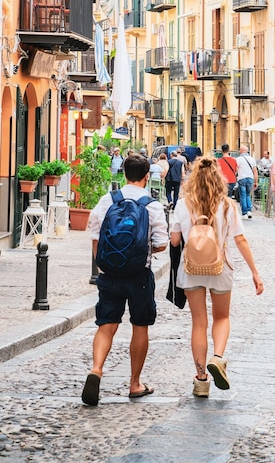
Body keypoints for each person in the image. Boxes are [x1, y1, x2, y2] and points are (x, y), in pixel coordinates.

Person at [170, 155, 264, 397]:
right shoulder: (227, 205)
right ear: (218, 179)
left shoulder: (182, 204)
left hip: (191, 270)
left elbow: (174, 240)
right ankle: (218, 358)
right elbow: (240, 239)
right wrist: (255, 272)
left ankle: (201, 379)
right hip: (221, 268)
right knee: (221, 317)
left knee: (198, 323)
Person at [81, 154, 168, 406]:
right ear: (145, 176)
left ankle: (96, 369)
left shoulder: (108, 200)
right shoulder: (151, 205)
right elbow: (161, 244)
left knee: (106, 324)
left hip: (109, 274)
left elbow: (94, 235)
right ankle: (135, 383)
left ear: (124, 174)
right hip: (139, 275)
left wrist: (104, 263)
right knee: (140, 326)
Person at [236, 145, 258, 219]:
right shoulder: (252, 159)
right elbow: (255, 171)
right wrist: (256, 181)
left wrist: (236, 175)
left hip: (242, 178)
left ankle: (244, 213)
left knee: (243, 195)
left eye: (240, 149)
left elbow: (236, 169)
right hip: (250, 178)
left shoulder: (238, 159)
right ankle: (249, 211)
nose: (239, 151)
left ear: (242, 150)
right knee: (248, 195)